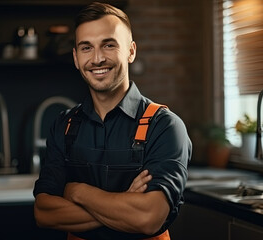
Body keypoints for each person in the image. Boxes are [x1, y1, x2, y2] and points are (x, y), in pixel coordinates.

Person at [33, 2, 192, 240]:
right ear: (76, 58)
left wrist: (77, 190)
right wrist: (124, 203)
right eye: (86, 48)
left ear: (131, 51)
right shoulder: (64, 125)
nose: (97, 59)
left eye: (108, 45)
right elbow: (44, 213)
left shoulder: (165, 126)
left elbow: (148, 218)